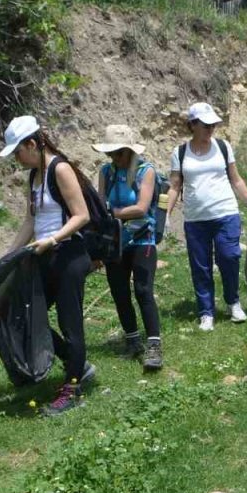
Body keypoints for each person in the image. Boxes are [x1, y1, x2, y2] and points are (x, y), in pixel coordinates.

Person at [2, 115, 96, 416]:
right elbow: (31, 220)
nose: (17, 158)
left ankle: (72, 388)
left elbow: (81, 216)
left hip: (69, 255)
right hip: (43, 255)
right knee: (29, 317)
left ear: (32, 143)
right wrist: (8, 257)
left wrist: (53, 239)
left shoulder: (61, 168)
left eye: (18, 151)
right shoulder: (33, 176)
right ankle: (76, 362)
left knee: (71, 324)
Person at [165, 103, 247, 332]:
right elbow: (174, 186)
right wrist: (166, 216)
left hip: (225, 212)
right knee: (200, 266)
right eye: (205, 124)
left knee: (229, 256)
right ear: (192, 125)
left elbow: (236, 179)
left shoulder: (223, 146)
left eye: (213, 124)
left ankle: (233, 302)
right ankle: (206, 311)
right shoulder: (180, 153)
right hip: (195, 219)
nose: (211, 128)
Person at [94, 125, 163, 371]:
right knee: (119, 292)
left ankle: (154, 346)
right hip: (116, 241)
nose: (114, 158)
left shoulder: (146, 171)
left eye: (119, 153)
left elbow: (142, 208)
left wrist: (111, 213)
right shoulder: (106, 172)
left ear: (130, 152)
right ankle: (132, 340)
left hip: (143, 240)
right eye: (111, 154)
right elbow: (99, 201)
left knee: (144, 290)